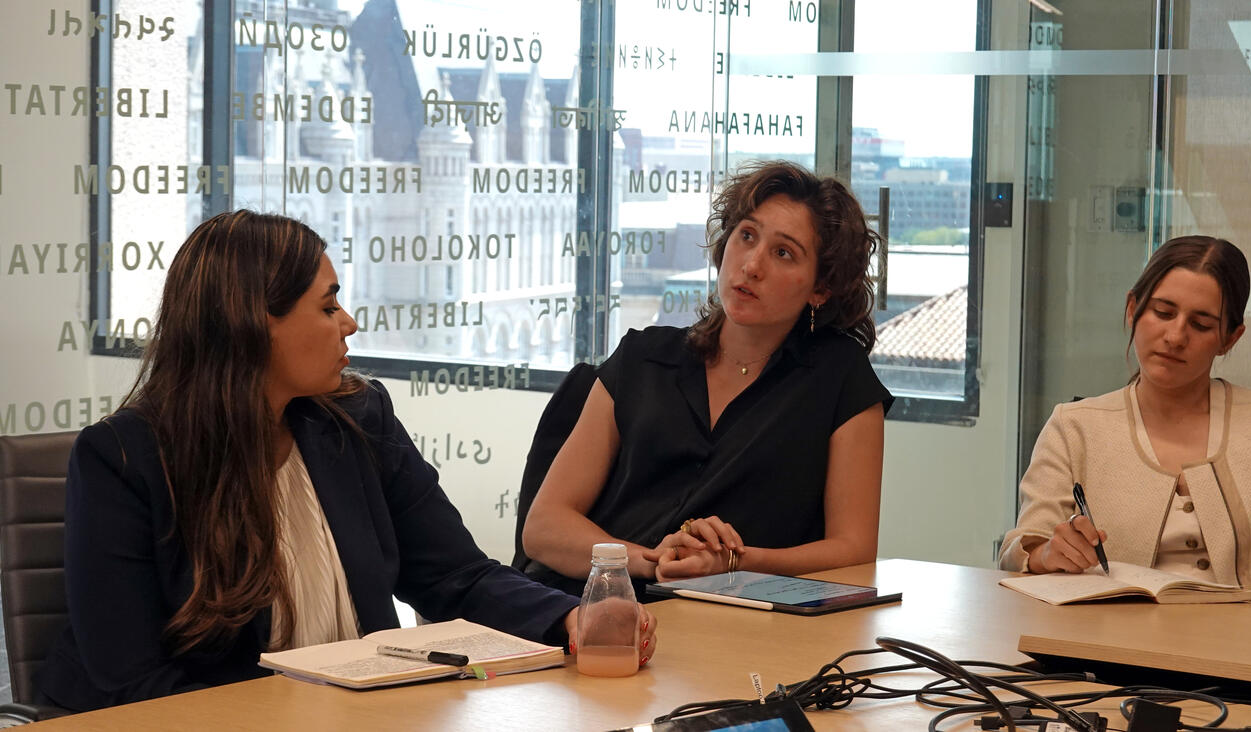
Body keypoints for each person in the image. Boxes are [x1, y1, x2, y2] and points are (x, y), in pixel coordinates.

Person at [38, 211, 657, 712]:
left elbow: (454, 577)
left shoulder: (356, 419)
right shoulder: (123, 459)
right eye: (328, 305)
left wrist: (572, 618)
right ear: (256, 324)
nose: (350, 323)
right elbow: (133, 685)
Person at [521, 161, 893, 598]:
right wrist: (651, 562)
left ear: (820, 289)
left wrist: (733, 563)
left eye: (783, 252)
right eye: (747, 235)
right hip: (587, 605)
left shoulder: (840, 380)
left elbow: (854, 549)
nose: (752, 266)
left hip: (733, 621)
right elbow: (543, 528)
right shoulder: (642, 358)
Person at [1000, 235, 1251, 602]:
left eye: (1202, 325)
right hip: (1105, 649)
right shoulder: (1074, 427)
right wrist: (1049, 555)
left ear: (1230, 339)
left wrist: (1234, 628)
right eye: (1163, 312)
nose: (1175, 336)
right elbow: (1021, 550)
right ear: (1132, 309)